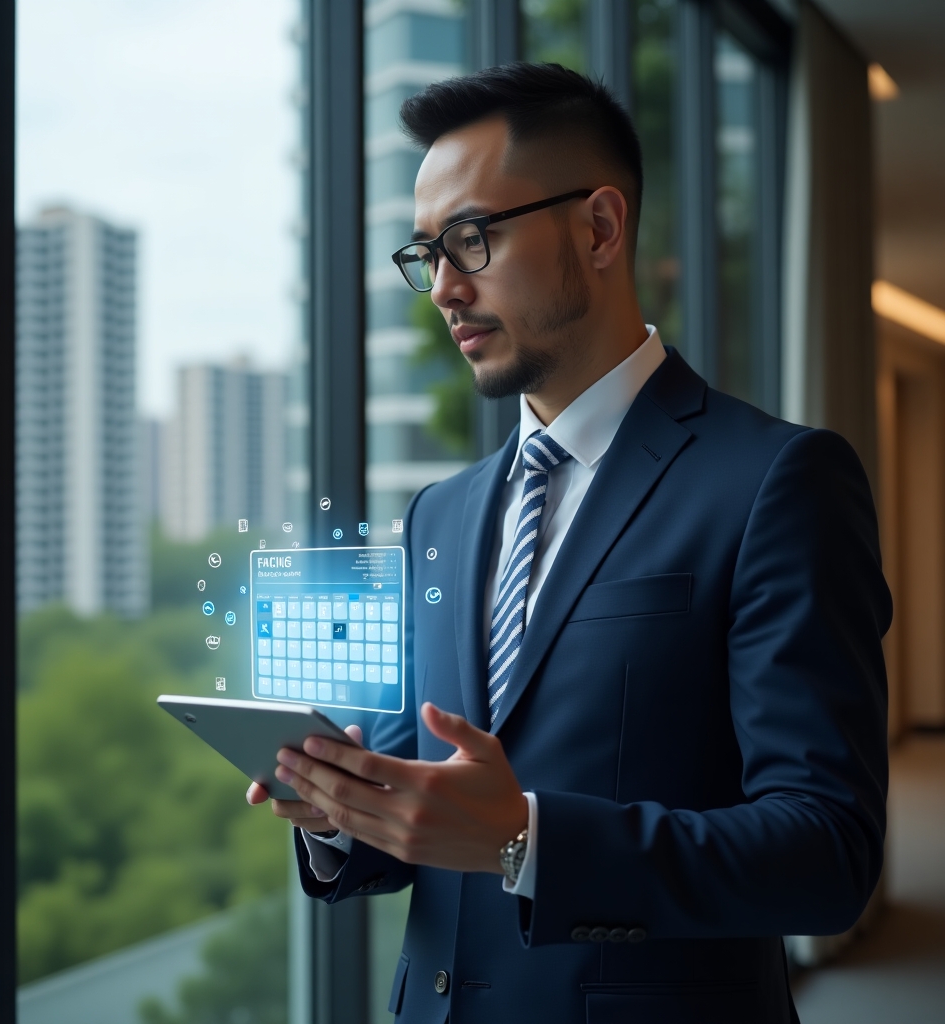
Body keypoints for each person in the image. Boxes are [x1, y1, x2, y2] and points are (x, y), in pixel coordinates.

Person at [248, 62, 891, 1023]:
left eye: (471, 239)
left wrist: (529, 840)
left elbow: (825, 854)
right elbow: (430, 810)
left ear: (599, 227)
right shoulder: (440, 515)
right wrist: (340, 814)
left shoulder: (776, 482)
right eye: (426, 254)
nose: (444, 289)